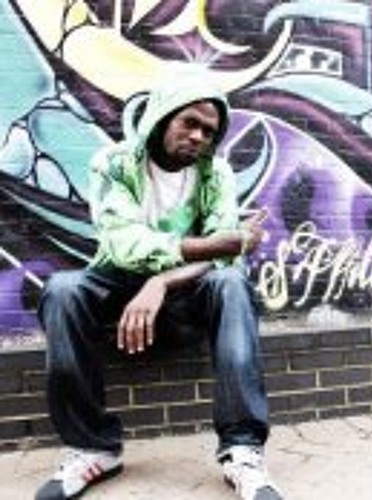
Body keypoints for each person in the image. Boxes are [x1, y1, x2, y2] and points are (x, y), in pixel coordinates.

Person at [35, 66, 282, 500]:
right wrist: (215, 244)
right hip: (118, 281)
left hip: (184, 293)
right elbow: (124, 242)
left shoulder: (216, 174)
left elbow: (222, 258)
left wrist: (162, 282)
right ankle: (93, 448)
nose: (198, 137)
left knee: (232, 283)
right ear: (162, 116)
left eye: (209, 131)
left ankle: (243, 451)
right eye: (190, 122)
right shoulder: (113, 163)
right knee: (62, 290)